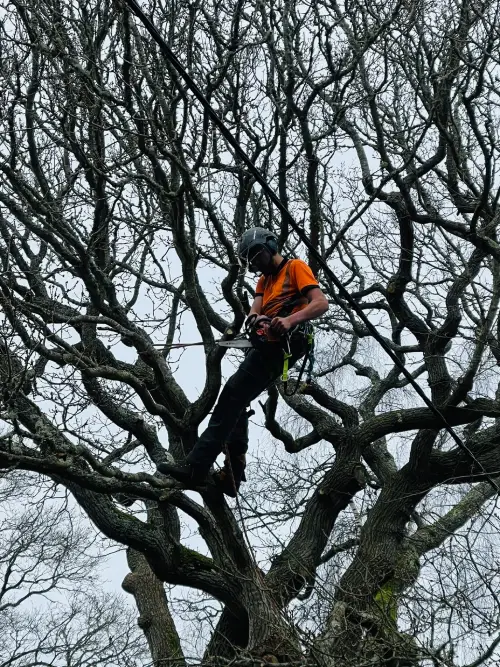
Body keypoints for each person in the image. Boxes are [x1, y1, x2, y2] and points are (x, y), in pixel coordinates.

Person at [158, 227, 329, 495]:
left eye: (257, 255)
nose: (256, 263)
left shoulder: (295, 267)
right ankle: (234, 473)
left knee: (230, 398)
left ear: (270, 246)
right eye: (250, 260)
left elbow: (320, 303)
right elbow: (254, 310)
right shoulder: (263, 281)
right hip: (266, 344)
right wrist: (255, 319)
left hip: (289, 340)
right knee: (236, 400)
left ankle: (195, 467)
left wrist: (289, 320)